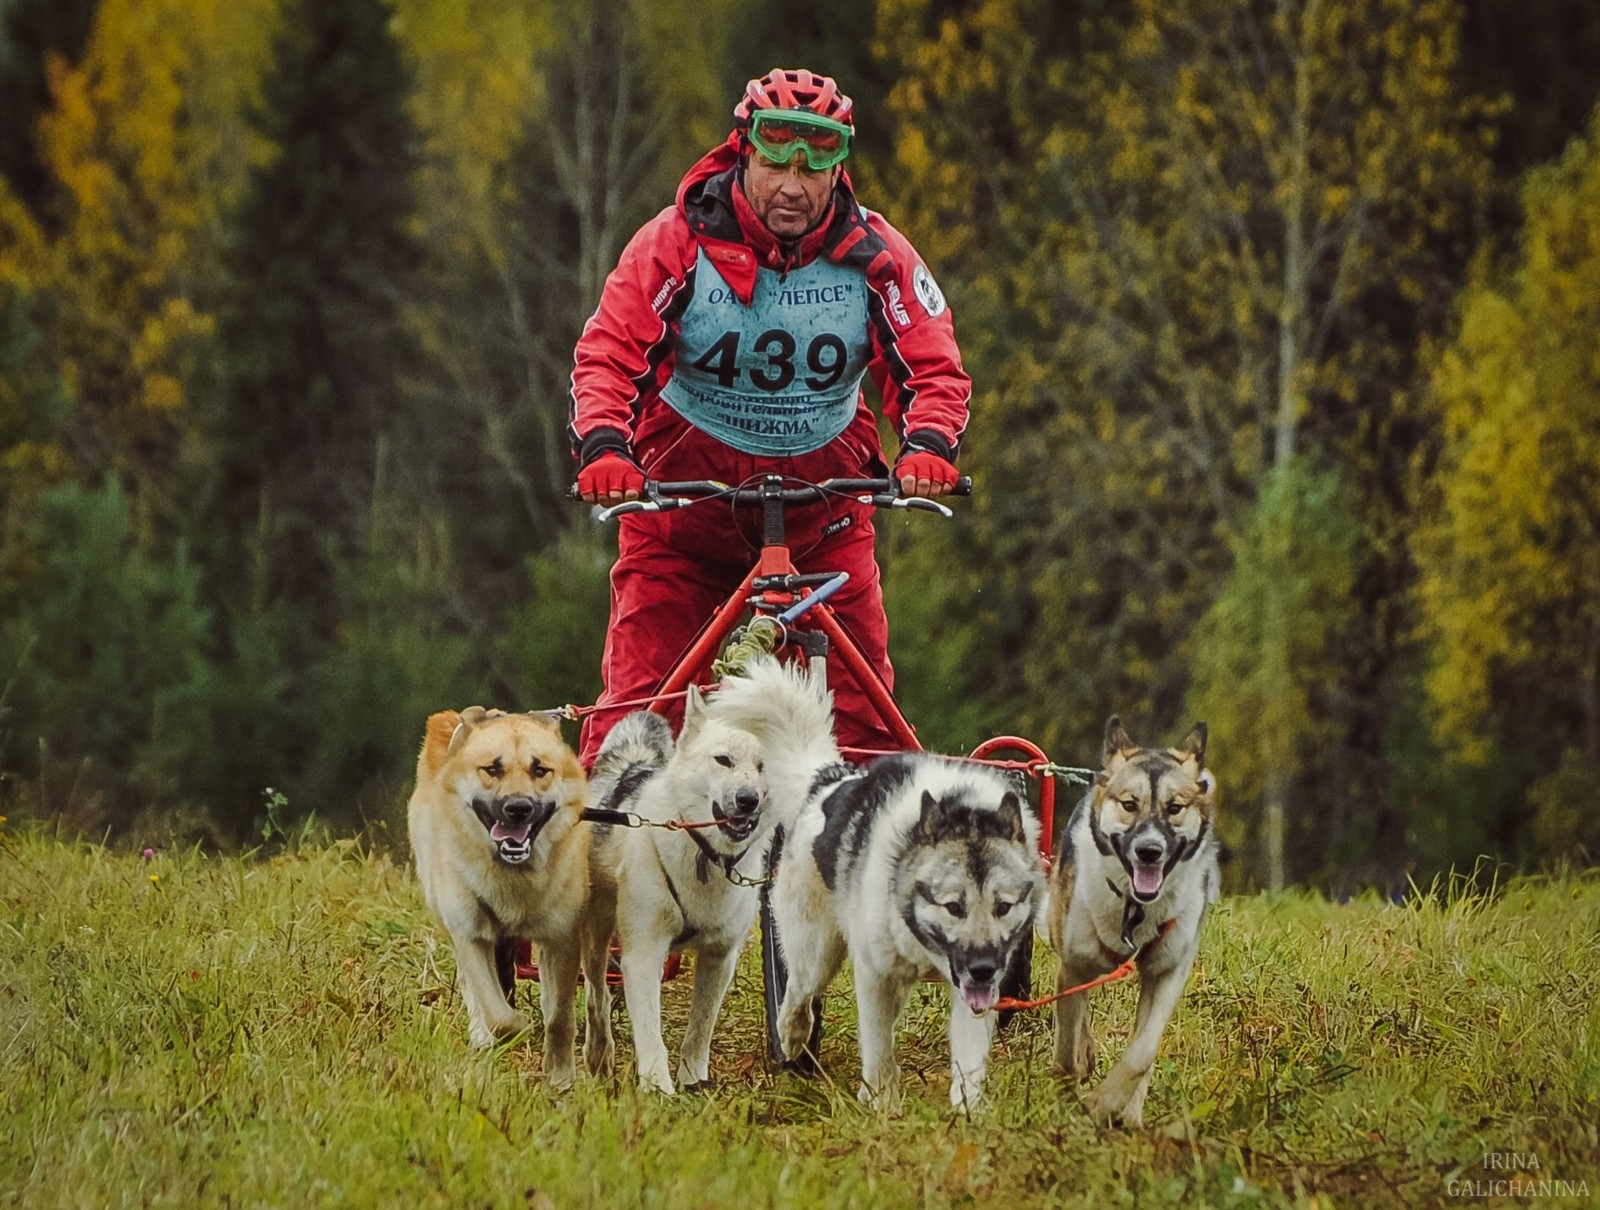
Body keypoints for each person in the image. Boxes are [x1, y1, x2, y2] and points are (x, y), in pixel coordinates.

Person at [569, 67, 970, 766]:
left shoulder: (877, 256)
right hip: (682, 520)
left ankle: (862, 856)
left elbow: (930, 361)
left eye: (817, 158)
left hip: (823, 523)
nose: (794, 180)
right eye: (777, 152)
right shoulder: (676, 242)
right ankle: (607, 860)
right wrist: (606, 448)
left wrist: (927, 445)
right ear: (744, 148)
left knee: (866, 724)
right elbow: (610, 352)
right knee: (636, 721)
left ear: (839, 164)